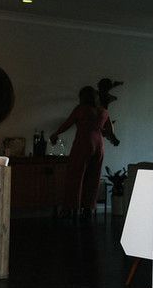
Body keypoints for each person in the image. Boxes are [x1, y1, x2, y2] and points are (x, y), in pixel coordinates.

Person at [50, 86, 116, 219]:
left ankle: (70, 208)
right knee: (94, 177)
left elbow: (67, 123)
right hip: (99, 145)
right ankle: (88, 208)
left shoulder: (81, 109)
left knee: (75, 175)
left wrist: (56, 134)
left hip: (84, 143)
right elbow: (110, 131)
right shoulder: (104, 111)